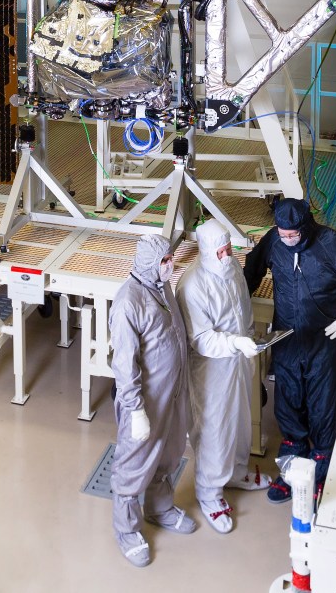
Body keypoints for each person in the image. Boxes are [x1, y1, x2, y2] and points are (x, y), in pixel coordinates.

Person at [244, 196, 336, 502]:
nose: (288, 240)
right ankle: (291, 464)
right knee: (288, 401)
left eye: (293, 235)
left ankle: (321, 466)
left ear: (306, 226)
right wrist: (237, 305)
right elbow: (252, 272)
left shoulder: (332, 245)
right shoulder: (275, 241)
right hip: (287, 338)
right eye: (283, 235)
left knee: (323, 405)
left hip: (325, 340)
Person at [108, 232, 196, 567]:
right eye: (164, 261)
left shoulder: (162, 289)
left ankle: (159, 509)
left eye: (169, 258)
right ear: (148, 263)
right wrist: (136, 410)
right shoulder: (129, 301)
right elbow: (124, 362)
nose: (170, 265)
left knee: (169, 454)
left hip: (172, 394)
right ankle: (127, 532)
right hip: (145, 402)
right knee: (133, 464)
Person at [177, 218, 270, 533]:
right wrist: (234, 343)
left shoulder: (233, 272)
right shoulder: (193, 285)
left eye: (228, 249)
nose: (226, 256)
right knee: (215, 427)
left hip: (239, 359)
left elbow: (242, 309)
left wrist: (248, 339)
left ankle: (236, 471)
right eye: (219, 252)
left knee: (241, 419)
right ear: (205, 252)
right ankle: (210, 491)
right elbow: (200, 338)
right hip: (212, 368)